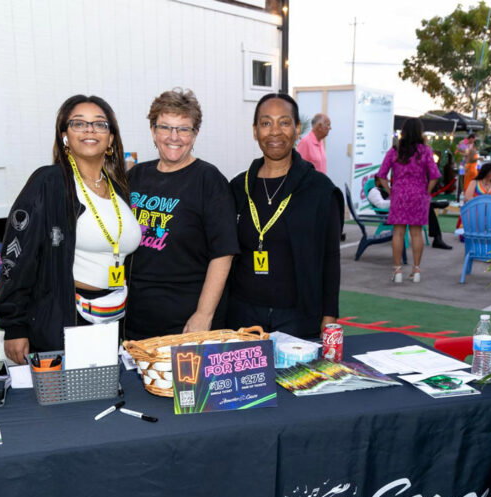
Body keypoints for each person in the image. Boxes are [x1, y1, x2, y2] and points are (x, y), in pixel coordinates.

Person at [0, 95, 142, 363]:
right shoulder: (48, 183)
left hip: (114, 316)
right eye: (78, 123)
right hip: (65, 320)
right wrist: (14, 325)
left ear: (110, 139)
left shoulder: (119, 186)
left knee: (108, 396)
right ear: (64, 136)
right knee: (67, 403)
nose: (89, 130)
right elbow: (17, 256)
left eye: (100, 124)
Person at [125, 88, 238, 339]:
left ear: (195, 134)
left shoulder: (209, 180)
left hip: (187, 321)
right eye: (165, 127)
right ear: (153, 131)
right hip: (136, 317)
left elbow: (223, 254)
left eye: (183, 129)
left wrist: (203, 315)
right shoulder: (135, 176)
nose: (173, 137)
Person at [226, 93, 342, 338]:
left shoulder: (320, 190)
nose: (275, 132)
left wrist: (329, 317)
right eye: (266, 123)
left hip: (298, 319)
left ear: (297, 128)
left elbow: (330, 258)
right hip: (241, 317)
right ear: (255, 131)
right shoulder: (237, 188)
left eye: (284, 122)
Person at [375, 117, 440, 283]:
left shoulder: (395, 150)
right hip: (419, 194)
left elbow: (381, 175)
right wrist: (427, 191)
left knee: (398, 232)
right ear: (420, 132)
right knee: (416, 233)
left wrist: (390, 191)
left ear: (403, 132)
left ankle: (397, 271)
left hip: (399, 195)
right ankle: (416, 270)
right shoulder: (425, 151)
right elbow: (434, 176)